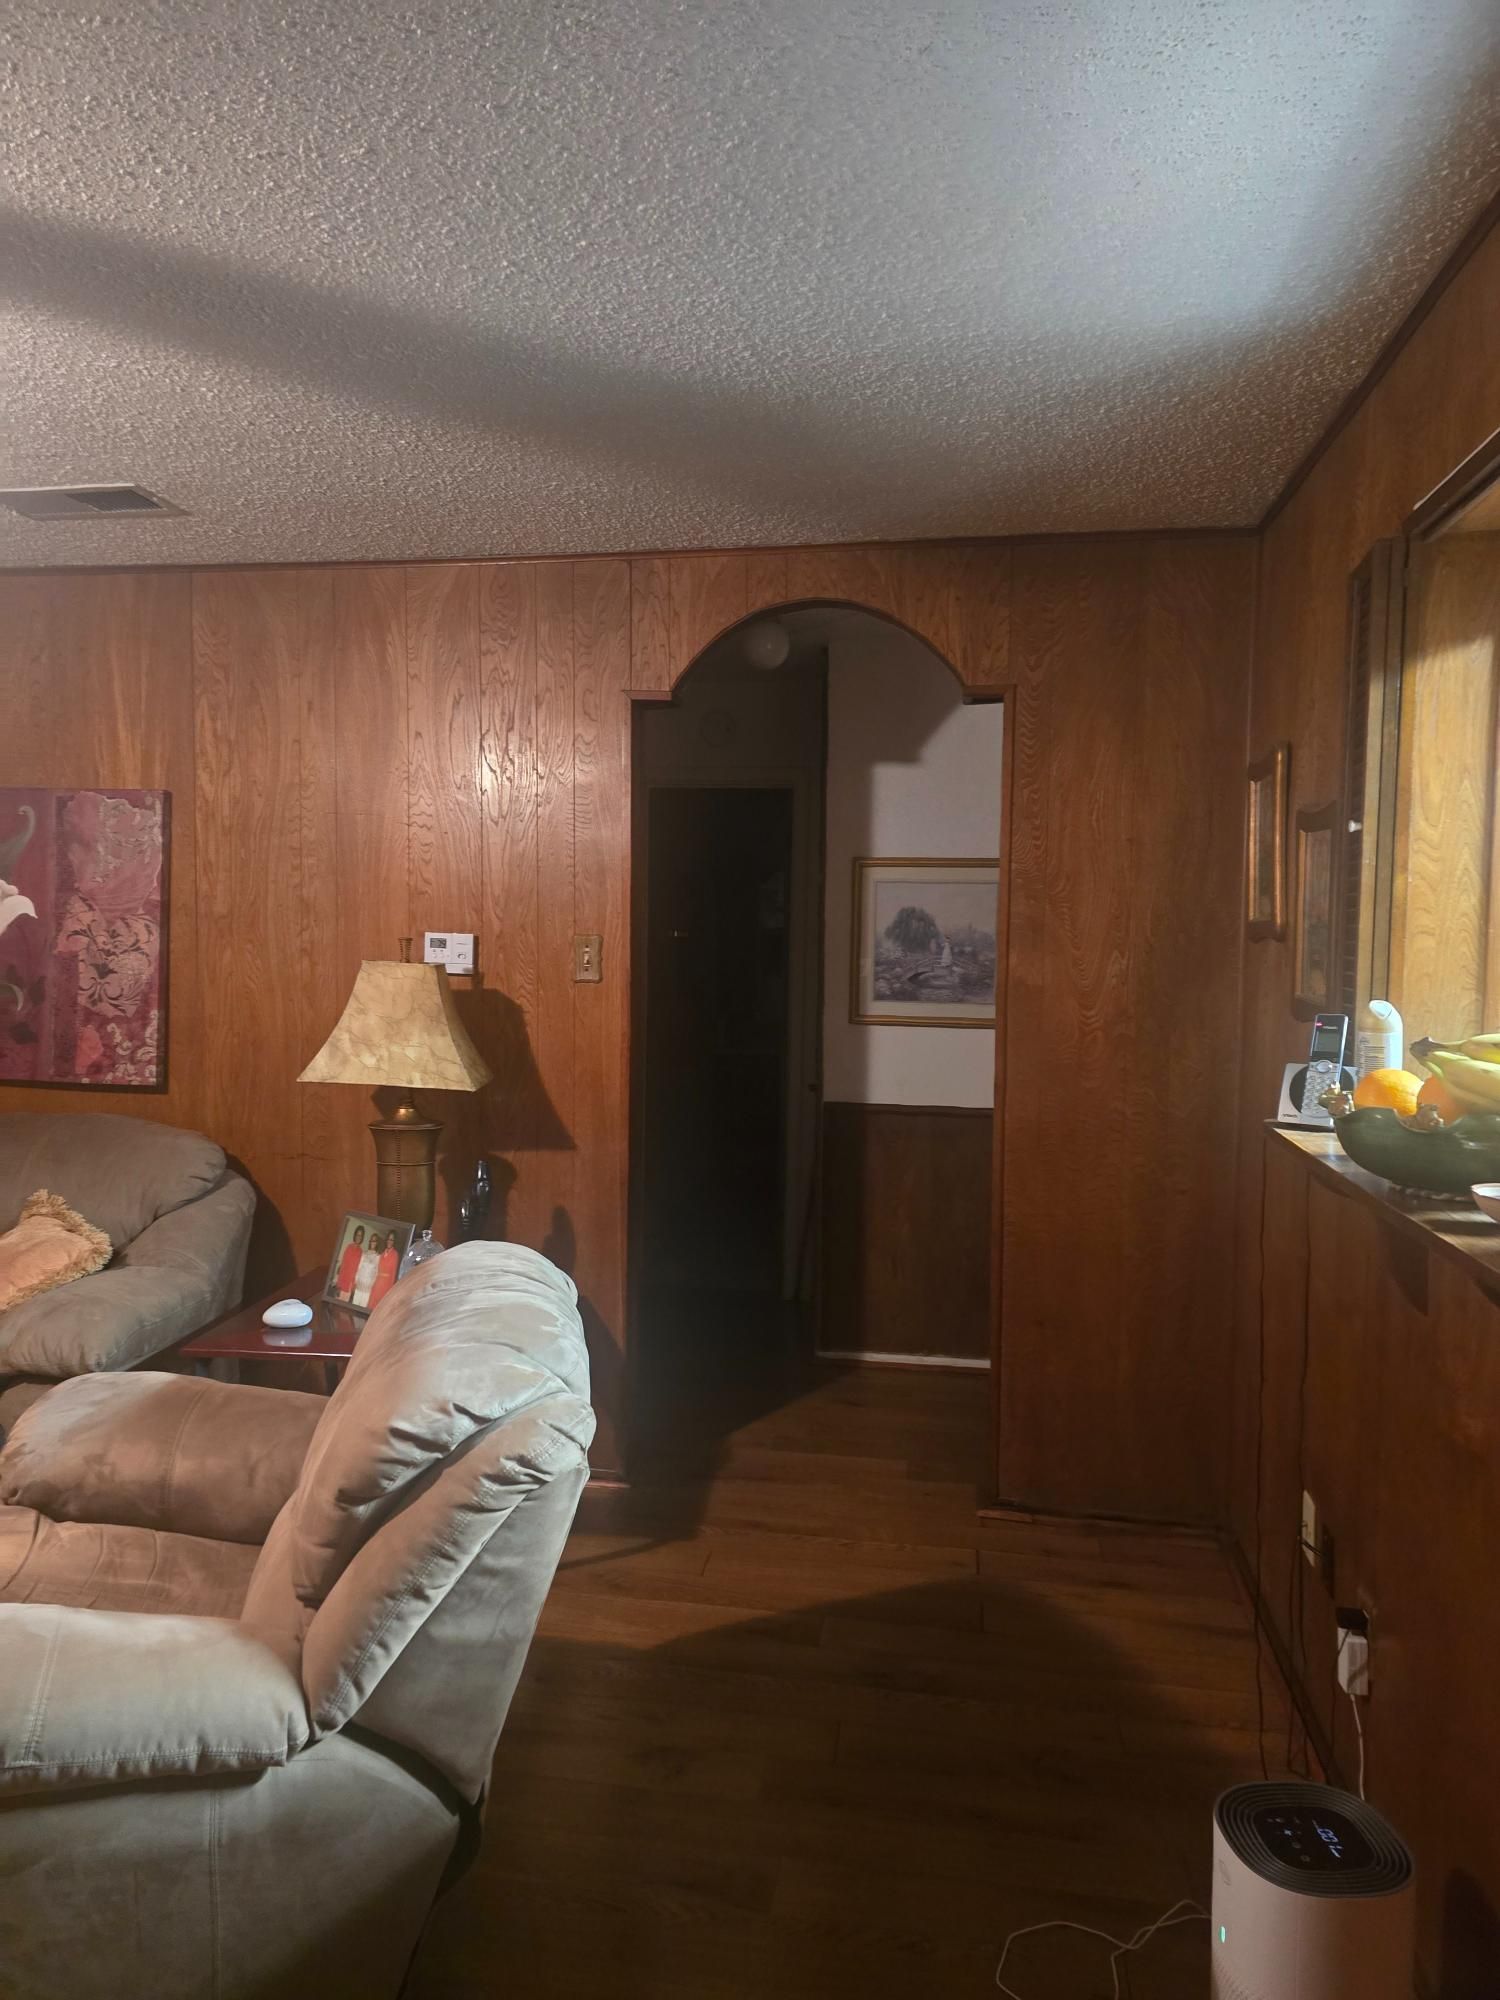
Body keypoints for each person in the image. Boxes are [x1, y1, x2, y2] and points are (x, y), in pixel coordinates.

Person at [368, 1228, 401, 1310]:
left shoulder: (395, 1255)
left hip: (385, 1286)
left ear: (394, 1242)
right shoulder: (382, 1254)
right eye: (388, 1239)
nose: (389, 1241)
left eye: (392, 1239)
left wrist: (389, 1294)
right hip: (376, 1284)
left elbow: (393, 1275)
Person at [352, 1229, 381, 1311]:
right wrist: (356, 1282)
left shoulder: (378, 1257)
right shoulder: (364, 1254)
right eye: (371, 1240)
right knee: (353, 1308)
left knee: (361, 1311)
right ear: (369, 1242)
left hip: (367, 1289)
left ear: (377, 1243)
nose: (373, 1242)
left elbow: (376, 1273)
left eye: (375, 1241)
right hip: (359, 1286)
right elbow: (359, 1268)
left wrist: (371, 1285)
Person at [335, 1224, 365, 1303]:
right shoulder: (349, 1247)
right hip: (343, 1283)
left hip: (350, 1286)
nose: (359, 1237)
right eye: (357, 1235)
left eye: (360, 1235)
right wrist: (338, 1286)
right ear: (355, 1235)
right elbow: (343, 1266)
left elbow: (358, 1270)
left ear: (362, 1238)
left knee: (343, 1308)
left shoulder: (361, 1252)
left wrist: (354, 1287)